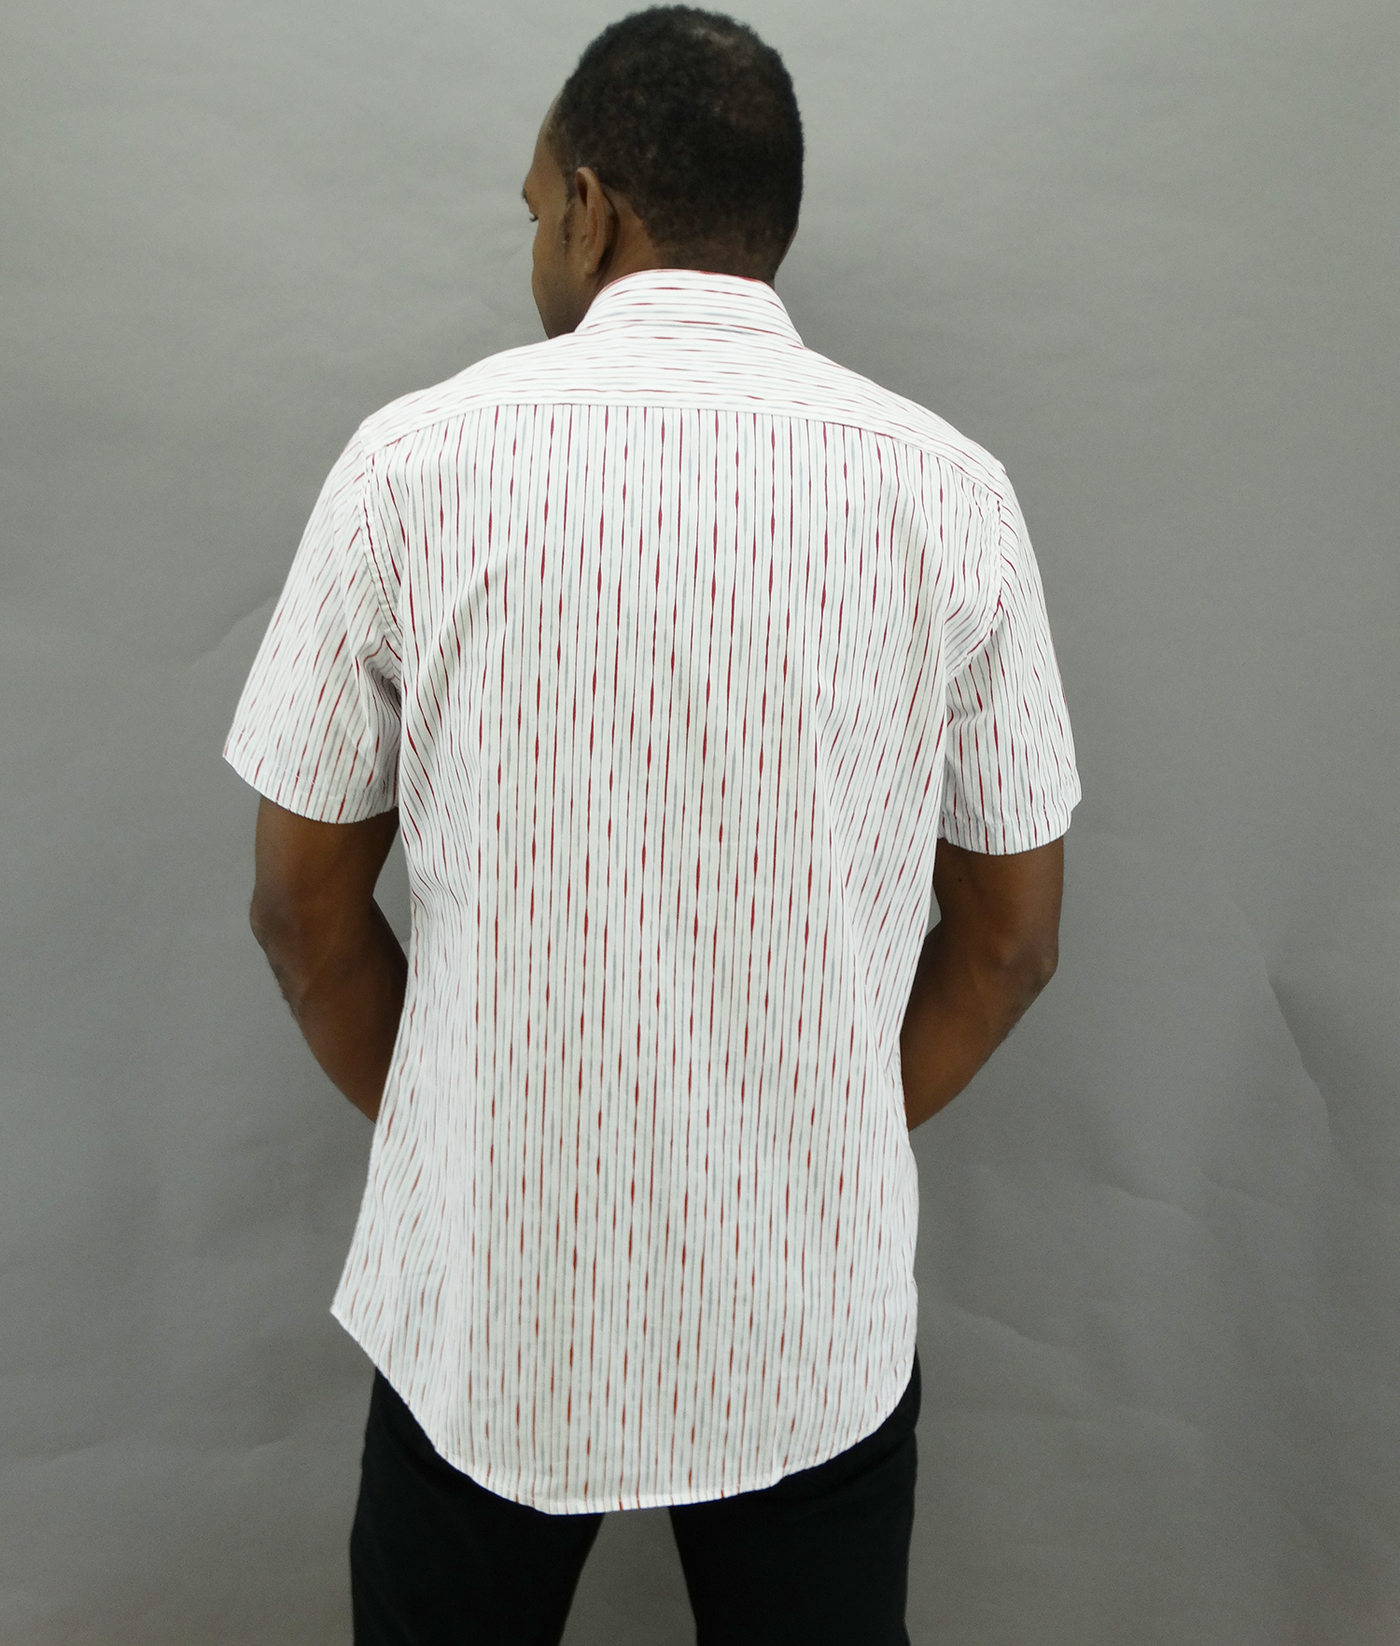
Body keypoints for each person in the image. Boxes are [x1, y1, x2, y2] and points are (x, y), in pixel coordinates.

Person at [224, 7, 1080, 1642]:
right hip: (805, 1317)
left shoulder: (415, 466)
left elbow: (302, 918)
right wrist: (804, 1139)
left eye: (533, 208)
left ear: (591, 210)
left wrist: (477, 1138)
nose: (533, 246)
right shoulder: (949, 492)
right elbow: (1012, 943)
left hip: (486, 1299)